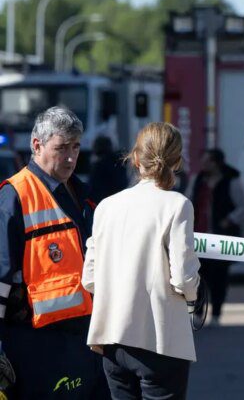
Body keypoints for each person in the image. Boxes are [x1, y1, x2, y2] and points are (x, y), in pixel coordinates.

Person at [82, 122, 200, 399]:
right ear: (177, 161)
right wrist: (194, 293)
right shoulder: (178, 205)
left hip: (112, 337)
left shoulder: (106, 207)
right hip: (160, 339)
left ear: (135, 158)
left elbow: (89, 278)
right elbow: (183, 278)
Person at [0, 106, 109, 399]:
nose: (71, 157)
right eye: (61, 148)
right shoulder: (14, 196)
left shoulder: (80, 193)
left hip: (84, 337)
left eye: (76, 147)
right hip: (35, 344)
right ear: (37, 146)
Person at [187, 149, 244, 326]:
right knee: (198, 277)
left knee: (219, 278)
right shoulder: (197, 180)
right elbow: (187, 201)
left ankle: (216, 314)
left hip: (221, 239)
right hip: (199, 238)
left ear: (216, 163)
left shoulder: (231, 181)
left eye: (207, 161)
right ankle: (198, 313)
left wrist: (230, 220)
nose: (203, 165)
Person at [88, 135, 128, 204]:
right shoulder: (119, 163)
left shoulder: (99, 167)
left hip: (104, 203)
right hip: (120, 201)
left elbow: (93, 190)